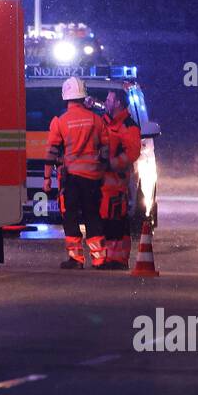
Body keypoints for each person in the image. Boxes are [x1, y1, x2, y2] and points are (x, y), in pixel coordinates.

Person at [43, 76, 111, 269]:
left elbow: (51, 151)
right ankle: (99, 259)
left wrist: (47, 178)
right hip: (93, 179)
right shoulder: (96, 120)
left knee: (70, 216)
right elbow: (105, 148)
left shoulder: (60, 122)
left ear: (66, 97)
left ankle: (76, 259)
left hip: (71, 179)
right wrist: (101, 168)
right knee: (93, 216)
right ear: (83, 96)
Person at [98, 87, 142, 270]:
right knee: (109, 220)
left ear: (118, 103)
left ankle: (116, 259)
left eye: (109, 99)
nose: (106, 102)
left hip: (116, 182)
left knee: (115, 220)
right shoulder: (106, 122)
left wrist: (113, 164)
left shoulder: (129, 126)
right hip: (104, 183)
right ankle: (112, 258)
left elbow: (132, 153)